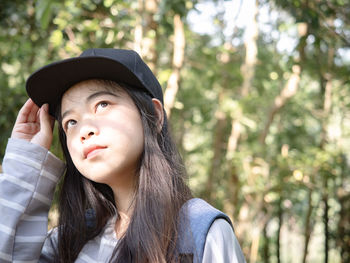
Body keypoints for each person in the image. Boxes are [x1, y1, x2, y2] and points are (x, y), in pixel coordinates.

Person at [0, 48, 246, 263]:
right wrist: (27, 160)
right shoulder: (67, 244)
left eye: (102, 104)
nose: (84, 130)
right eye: (71, 122)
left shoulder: (199, 233)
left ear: (155, 116)